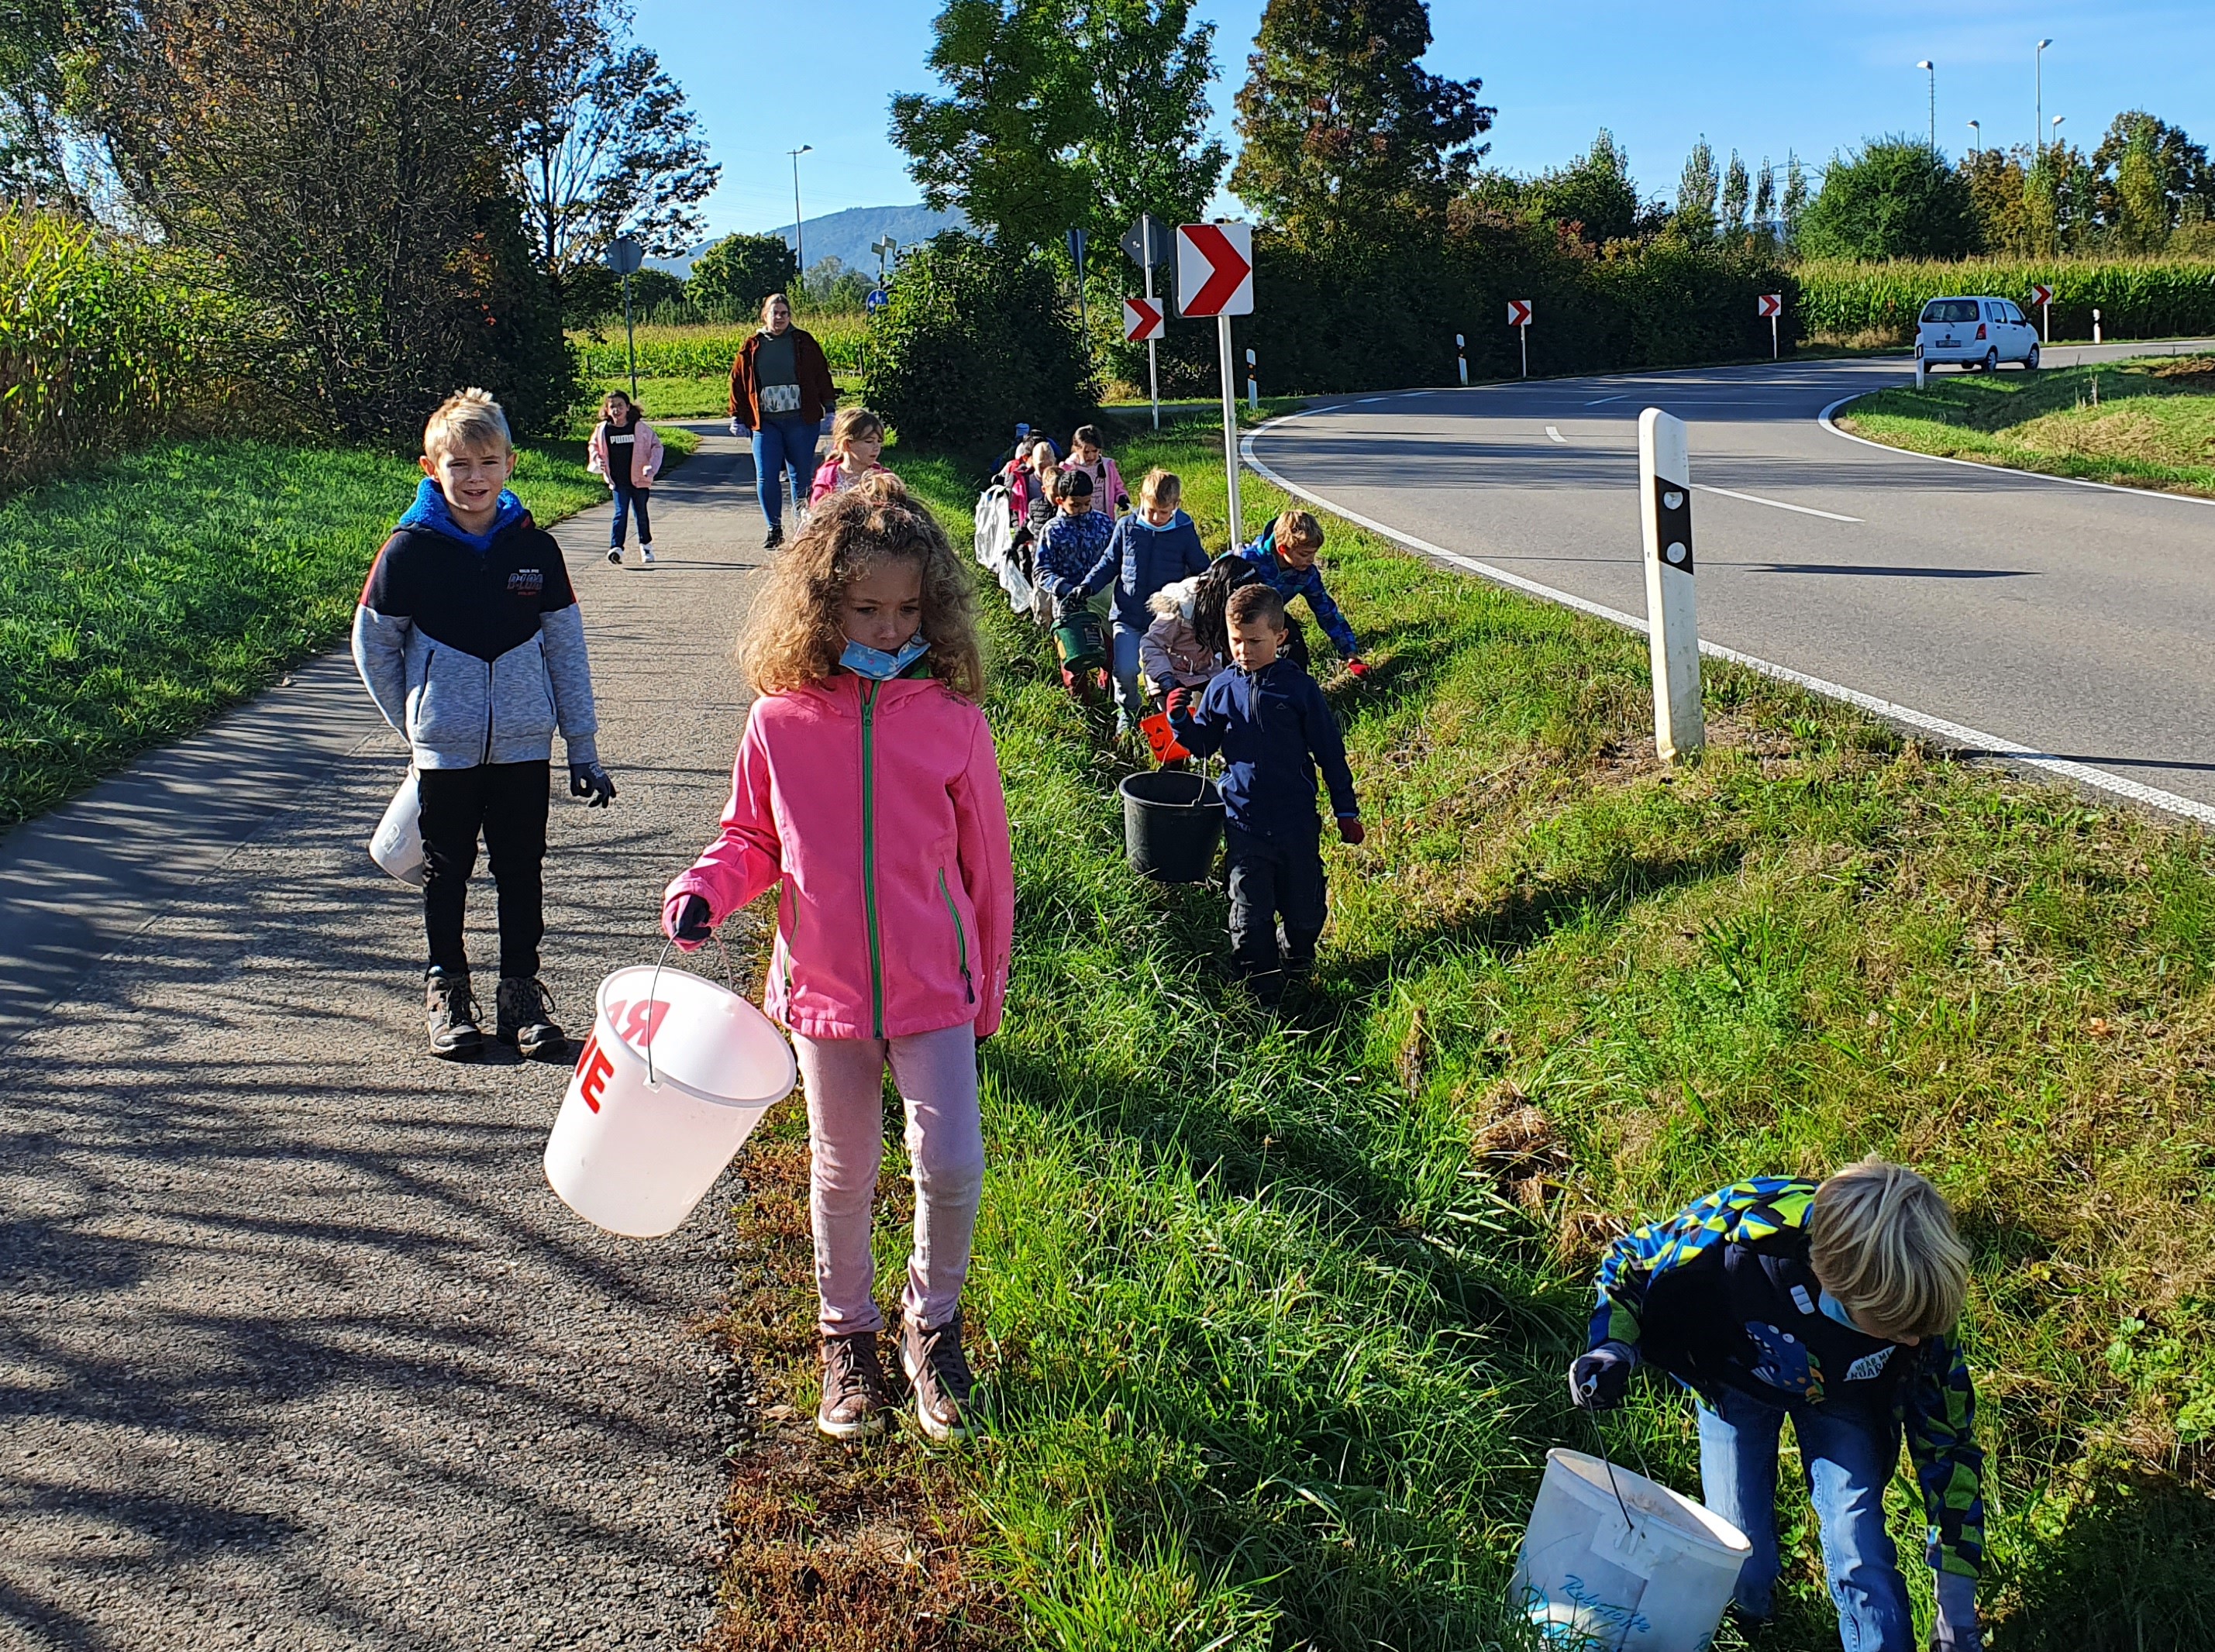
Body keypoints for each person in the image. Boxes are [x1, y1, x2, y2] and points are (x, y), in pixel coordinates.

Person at [660, 485, 1012, 1444]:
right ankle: (844, 1335)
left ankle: (931, 1324)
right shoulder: (780, 719)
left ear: (931, 608)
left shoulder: (951, 719)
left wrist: (987, 985)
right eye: (866, 610)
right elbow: (750, 838)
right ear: (824, 607)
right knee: (842, 1166)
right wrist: (705, 889)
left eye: (906, 610)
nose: (889, 626)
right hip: (824, 987)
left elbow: (988, 867)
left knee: (951, 1160)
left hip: (936, 984)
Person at [1571, 1160, 1986, 1651]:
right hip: (1734, 1381)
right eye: (1895, 1330)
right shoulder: (1744, 1228)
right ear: (1834, 1284)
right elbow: (1631, 1262)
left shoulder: (1919, 1311)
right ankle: (1749, 1625)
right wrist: (1613, 1345)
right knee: (1741, 1548)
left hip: (1846, 1398)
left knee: (1859, 1542)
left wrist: (1956, 1610)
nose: (1914, 1339)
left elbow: (1949, 1447)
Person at [353, 389, 617, 1061]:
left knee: (522, 868)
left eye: (488, 463)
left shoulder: (537, 552)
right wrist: (417, 724)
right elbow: (374, 645)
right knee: (447, 870)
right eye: (459, 465)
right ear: (431, 467)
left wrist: (582, 747)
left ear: (510, 465)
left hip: (525, 746)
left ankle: (521, 993)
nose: (474, 478)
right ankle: (447, 988)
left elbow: (566, 648)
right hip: (445, 750)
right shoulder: (409, 553)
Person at [1167, 584, 1362, 1005]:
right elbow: (1204, 744)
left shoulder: (1299, 690)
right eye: (1236, 640)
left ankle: (1296, 962)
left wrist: (1345, 810)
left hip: (1296, 823)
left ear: (1281, 637)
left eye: (1255, 641)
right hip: (1244, 823)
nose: (1244, 650)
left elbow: (1330, 752)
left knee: (1304, 912)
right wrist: (1180, 721)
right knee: (1250, 914)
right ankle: (1260, 988)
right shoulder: (1221, 689)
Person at [728, 292, 839, 550]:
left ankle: (802, 527)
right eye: (773, 313)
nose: (778, 318)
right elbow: (738, 382)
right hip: (766, 423)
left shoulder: (803, 342)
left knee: (800, 476)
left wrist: (830, 407)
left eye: (783, 313)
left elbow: (822, 374)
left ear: (789, 316)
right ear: (764, 315)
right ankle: (774, 528)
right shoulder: (752, 345)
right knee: (766, 475)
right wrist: (736, 415)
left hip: (801, 420)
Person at [1104, 469, 1209, 735]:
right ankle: (1127, 711)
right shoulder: (1126, 527)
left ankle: (1173, 722)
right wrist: (1085, 588)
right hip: (1128, 616)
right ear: (1141, 499)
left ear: (1176, 506)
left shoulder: (1183, 531)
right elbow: (1108, 564)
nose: (1156, 518)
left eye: (1164, 513)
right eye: (1151, 510)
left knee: (1166, 673)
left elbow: (1201, 568)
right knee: (1126, 669)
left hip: (1165, 621)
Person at [1235, 511, 1370, 679]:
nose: (1310, 560)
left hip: (1269, 617)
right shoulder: (1247, 560)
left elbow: (1327, 612)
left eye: (1313, 554)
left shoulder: (1306, 574)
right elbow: (1211, 587)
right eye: (1304, 554)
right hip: (1231, 624)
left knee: (1295, 649)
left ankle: (1296, 693)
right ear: (1283, 548)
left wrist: (1350, 654)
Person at [585, 389, 664, 567]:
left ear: (628, 407)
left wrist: (651, 467)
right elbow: (594, 447)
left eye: (620, 406)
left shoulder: (640, 429)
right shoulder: (603, 430)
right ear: (606, 409)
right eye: (612, 407)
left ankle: (646, 546)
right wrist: (598, 460)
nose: (616, 410)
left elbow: (657, 447)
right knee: (620, 513)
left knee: (640, 514)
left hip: (639, 480)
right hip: (618, 481)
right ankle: (616, 549)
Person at [1032, 469, 1116, 637]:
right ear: (1060, 501)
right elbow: (1041, 570)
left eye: (1087, 503)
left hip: (1103, 603)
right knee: (1075, 656)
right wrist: (1063, 588)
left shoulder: (1104, 523)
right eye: (1075, 505)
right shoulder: (1052, 530)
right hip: (1069, 608)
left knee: (1107, 655)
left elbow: (1116, 558)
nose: (1083, 509)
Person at [1139, 576, 1223, 700]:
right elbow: (1151, 645)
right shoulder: (1177, 613)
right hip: (1171, 677)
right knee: (1175, 712)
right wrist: (1165, 677)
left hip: (1205, 673)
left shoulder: (1218, 608)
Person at [811, 406, 889, 504]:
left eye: (879, 441)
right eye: (869, 441)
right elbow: (816, 512)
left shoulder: (883, 477)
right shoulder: (828, 477)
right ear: (847, 444)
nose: (876, 447)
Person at [1060, 424, 1128, 518]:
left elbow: (1118, 486)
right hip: (1080, 518)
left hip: (1104, 518)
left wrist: (1121, 497)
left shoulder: (1108, 466)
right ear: (1077, 449)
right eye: (1086, 452)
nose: (1091, 456)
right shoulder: (1069, 468)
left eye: (1095, 451)